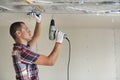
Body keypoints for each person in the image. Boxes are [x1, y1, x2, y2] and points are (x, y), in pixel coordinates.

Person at [9, 14, 64, 80]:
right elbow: (50, 61)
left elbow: (36, 37)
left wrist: (38, 21)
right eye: (26, 29)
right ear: (18, 33)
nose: (29, 31)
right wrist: (59, 42)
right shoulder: (23, 52)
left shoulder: (20, 49)